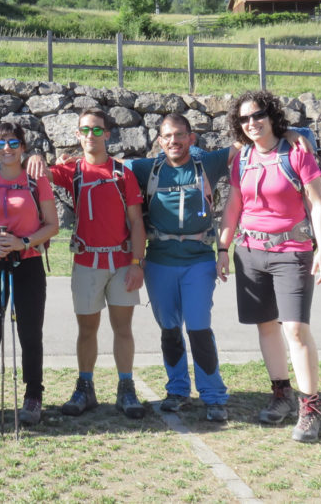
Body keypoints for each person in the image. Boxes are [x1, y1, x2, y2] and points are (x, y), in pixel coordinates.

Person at [216, 90, 321, 443]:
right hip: (249, 253)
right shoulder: (242, 157)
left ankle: (310, 409)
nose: (252, 123)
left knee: (295, 329)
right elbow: (234, 204)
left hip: (292, 252)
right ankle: (280, 393)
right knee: (266, 326)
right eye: (244, 119)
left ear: (272, 116)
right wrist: (222, 247)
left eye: (258, 115)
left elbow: (317, 205)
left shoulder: (296, 152)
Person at [27, 107, 147, 419]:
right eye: (84, 130)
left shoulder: (123, 173)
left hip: (121, 261)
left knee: (123, 328)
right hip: (86, 262)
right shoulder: (74, 171)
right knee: (87, 329)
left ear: (107, 134)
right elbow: (39, 172)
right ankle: (85, 387)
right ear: (77, 135)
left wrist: (137, 262)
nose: (90, 135)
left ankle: (126, 387)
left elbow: (136, 222)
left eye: (96, 129)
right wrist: (38, 155)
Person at [126, 113, 231, 422]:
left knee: (199, 328)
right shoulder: (148, 168)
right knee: (170, 330)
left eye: (180, 135)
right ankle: (178, 390)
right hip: (159, 263)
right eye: (168, 136)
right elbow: (106, 165)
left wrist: (294, 134)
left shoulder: (207, 164)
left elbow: (248, 144)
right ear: (160, 141)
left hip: (198, 262)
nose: (174, 141)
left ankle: (213, 396)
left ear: (191, 138)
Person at [0, 123, 58, 426]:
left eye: (13, 143)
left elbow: (52, 225)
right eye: (0, 144)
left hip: (27, 262)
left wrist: (24, 242)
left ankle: (33, 397)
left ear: (23, 147)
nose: (7, 149)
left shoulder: (35, 180)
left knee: (30, 333)